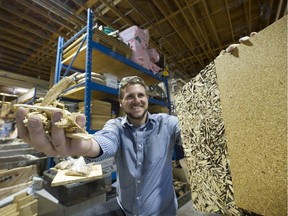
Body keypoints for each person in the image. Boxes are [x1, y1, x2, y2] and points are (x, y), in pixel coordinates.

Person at [16, 75, 183, 216]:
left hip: (163, 212)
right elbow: (105, 142)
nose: (136, 100)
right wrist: (86, 146)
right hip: (126, 209)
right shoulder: (115, 126)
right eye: (129, 96)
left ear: (147, 98)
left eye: (141, 95)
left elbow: (189, 136)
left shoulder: (167, 123)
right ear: (121, 102)